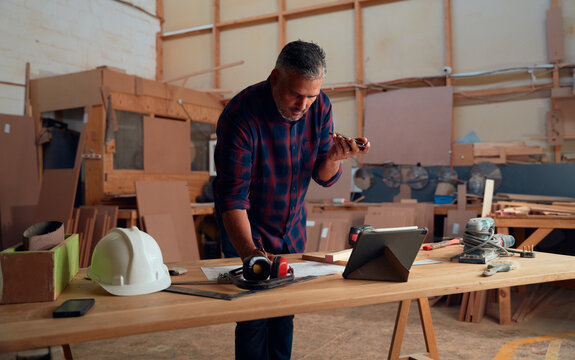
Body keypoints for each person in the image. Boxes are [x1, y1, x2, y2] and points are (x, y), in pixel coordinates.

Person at [214, 40, 370, 360]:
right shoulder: (241, 115)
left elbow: (322, 176)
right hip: (249, 231)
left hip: (292, 232)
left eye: (311, 96)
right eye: (295, 94)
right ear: (275, 78)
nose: (302, 105)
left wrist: (336, 158)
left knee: (285, 314)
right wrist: (251, 254)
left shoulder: (321, 107)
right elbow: (232, 198)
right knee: (254, 318)